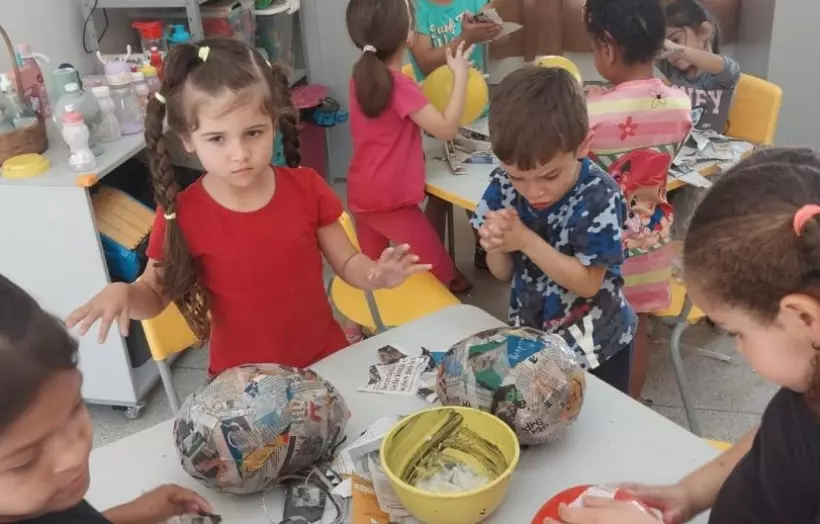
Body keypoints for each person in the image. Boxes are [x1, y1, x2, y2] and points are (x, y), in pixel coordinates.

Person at [66, 39, 429, 377]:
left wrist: (375, 275)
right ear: (187, 139)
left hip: (323, 365)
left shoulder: (306, 188)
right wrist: (125, 294)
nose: (239, 154)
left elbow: (348, 263)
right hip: (242, 384)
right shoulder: (182, 214)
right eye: (217, 139)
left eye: (253, 133)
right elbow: (154, 293)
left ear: (273, 123)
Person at [547, 147, 820, 524]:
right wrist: (689, 493)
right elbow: (777, 437)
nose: (738, 347)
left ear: (803, 316)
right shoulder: (808, 369)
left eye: (736, 332)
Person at [471, 66, 637, 394]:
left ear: (583, 145)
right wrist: (496, 245)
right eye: (518, 177)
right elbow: (503, 274)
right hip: (535, 341)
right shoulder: (502, 186)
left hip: (598, 347)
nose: (533, 191)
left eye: (550, 176)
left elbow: (588, 283)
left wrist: (525, 240)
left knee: (599, 420)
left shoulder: (599, 195)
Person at [0, 273, 213, 523]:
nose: (73, 455)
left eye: (74, 408)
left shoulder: (44, 497)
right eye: (24, 461)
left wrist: (139, 512)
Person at [584, 0, 693, 399]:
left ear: (608, 47)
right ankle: (629, 406)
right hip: (651, 246)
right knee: (637, 327)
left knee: (588, 327)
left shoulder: (590, 112)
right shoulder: (680, 105)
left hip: (600, 250)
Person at [345, 0, 473, 312]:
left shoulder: (360, 77)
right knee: (439, 269)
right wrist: (460, 77)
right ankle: (449, 318)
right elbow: (446, 128)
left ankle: (357, 326)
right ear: (408, 36)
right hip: (391, 200)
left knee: (372, 272)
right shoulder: (398, 85)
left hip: (363, 192)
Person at [409, 0, 502, 272]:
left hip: (476, 111)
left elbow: (492, 17)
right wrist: (465, 38)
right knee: (439, 192)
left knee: (477, 187)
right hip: (436, 115)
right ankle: (432, 261)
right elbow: (425, 61)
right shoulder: (418, 8)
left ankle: (482, 248)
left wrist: (490, 29)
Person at [659, 0, 741, 134]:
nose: (670, 54)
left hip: (710, 145)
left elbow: (724, 66)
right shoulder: (672, 70)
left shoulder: (724, 73)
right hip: (679, 142)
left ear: (704, 32)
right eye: (665, 47)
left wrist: (678, 49)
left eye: (676, 40)